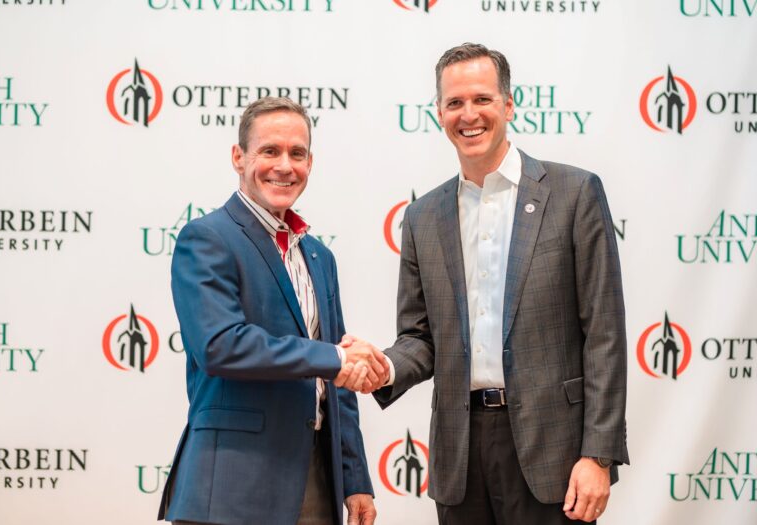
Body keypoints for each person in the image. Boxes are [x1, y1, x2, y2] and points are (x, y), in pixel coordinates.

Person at [367, 43, 629, 524]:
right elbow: (420, 338)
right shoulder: (422, 217)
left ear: (508, 105)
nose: (469, 114)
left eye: (482, 99)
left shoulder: (574, 194)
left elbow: (605, 335)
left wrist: (599, 454)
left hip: (555, 453)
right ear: (440, 113)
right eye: (455, 102)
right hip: (460, 456)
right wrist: (382, 368)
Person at [158, 96, 386, 525]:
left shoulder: (319, 256)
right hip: (232, 485)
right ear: (238, 157)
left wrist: (354, 478)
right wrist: (336, 358)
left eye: (297, 154)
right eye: (270, 151)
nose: (284, 166)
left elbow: (336, 388)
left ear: (310, 163)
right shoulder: (207, 238)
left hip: (316, 483)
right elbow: (221, 346)